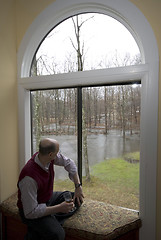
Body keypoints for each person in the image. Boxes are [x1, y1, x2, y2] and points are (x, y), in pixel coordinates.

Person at [17, 138, 84, 240]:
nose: (59, 154)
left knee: (75, 199)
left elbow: (69, 163)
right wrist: (59, 208)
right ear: (50, 154)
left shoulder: (47, 158)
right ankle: (43, 225)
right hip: (31, 210)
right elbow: (30, 212)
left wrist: (78, 186)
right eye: (58, 152)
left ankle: (48, 220)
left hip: (46, 199)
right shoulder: (29, 178)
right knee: (58, 234)